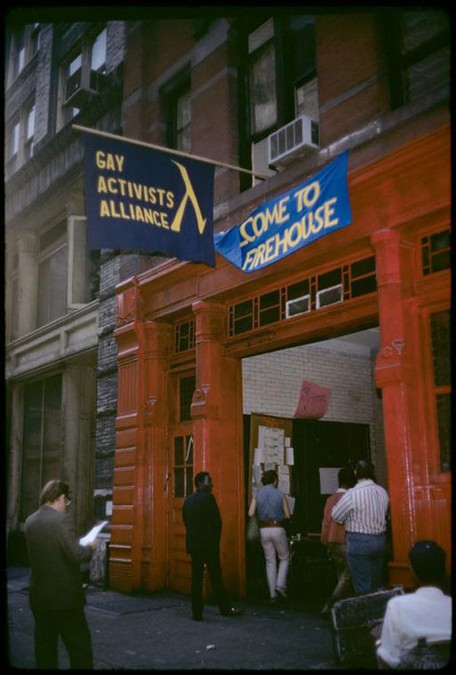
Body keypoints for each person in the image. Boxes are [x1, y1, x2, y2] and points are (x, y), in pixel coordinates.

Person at [24, 479, 96, 669]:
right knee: (80, 649)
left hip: (39, 597)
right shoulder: (62, 520)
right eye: (67, 502)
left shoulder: (30, 521)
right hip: (65, 600)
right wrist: (90, 547)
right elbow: (76, 554)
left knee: (45, 648)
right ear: (61, 498)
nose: (67, 506)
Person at [376, 540, 452, 669]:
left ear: (413, 573)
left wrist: (379, 641)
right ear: (444, 571)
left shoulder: (396, 605)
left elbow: (388, 661)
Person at [183, 471, 243, 621]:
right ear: (200, 483)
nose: (211, 483)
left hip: (194, 545)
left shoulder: (188, 501)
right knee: (216, 578)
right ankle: (225, 608)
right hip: (209, 546)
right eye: (208, 481)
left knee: (196, 579)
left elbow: (186, 522)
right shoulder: (209, 499)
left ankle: (196, 612)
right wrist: (215, 542)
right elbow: (217, 522)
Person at [331, 459, 389, 595]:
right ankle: (376, 612)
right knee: (376, 581)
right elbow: (386, 513)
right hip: (380, 541)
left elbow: (336, 516)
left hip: (359, 542)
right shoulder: (382, 492)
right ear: (372, 473)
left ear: (356, 473)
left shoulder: (352, 494)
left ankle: (365, 614)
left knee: (362, 584)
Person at [248, 469, 291, 603]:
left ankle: (272, 595)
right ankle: (280, 586)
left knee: (270, 561)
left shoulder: (257, 493)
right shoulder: (280, 493)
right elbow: (288, 515)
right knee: (284, 558)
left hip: (263, 529)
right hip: (277, 527)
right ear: (275, 480)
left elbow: (250, 513)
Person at [320, 466, 356, 617]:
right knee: (348, 575)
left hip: (333, 540)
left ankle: (340, 610)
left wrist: (325, 541)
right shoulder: (352, 497)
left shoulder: (330, 499)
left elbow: (326, 522)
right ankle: (331, 604)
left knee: (340, 575)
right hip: (345, 540)